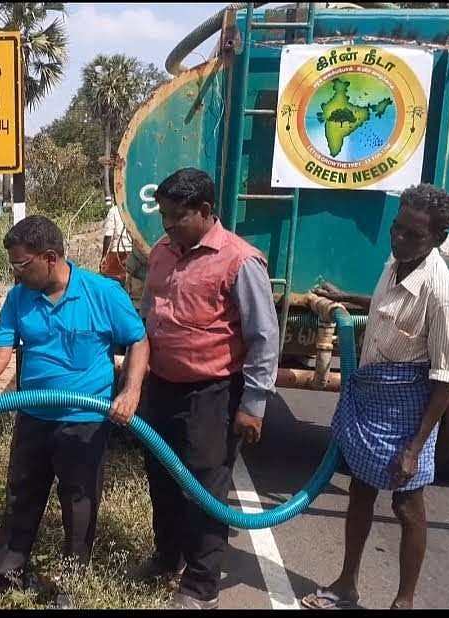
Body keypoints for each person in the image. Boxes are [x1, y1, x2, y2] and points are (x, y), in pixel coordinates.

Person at [0, 215, 150, 607]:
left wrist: (131, 390)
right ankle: (8, 573)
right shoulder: (19, 298)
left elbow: (138, 341)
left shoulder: (103, 293)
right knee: (22, 495)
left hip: (85, 422)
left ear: (49, 257)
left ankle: (70, 586)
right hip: (33, 417)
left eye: (21, 264)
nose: (15, 272)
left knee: (80, 505)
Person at [114, 167, 280, 610]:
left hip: (213, 392)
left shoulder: (240, 261)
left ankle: (201, 586)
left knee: (206, 487)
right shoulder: (164, 253)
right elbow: (148, 317)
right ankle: (167, 558)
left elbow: (264, 336)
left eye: (176, 217)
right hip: (162, 385)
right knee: (161, 478)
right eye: (164, 216)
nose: (166, 226)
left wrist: (254, 405)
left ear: (205, 211)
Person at [299, 184, 449, 610]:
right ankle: (346, 584)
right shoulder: (397, 262)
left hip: (409, 409)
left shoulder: (443, 294)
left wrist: (414, 447)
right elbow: (384, 306)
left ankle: (403, 601)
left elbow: (446, 379)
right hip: (372, 396)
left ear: (438, 240)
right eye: (397, 229)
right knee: (361, 490)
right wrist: (347, 298)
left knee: (408, 504)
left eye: (414, 235)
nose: (399, 239)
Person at [100, 200, 133, 286]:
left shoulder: (114, 210)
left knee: (110, 283)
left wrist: (104, 256)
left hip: (117, 253)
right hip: (134, 252)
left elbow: (109, 234)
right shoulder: (134, 208)